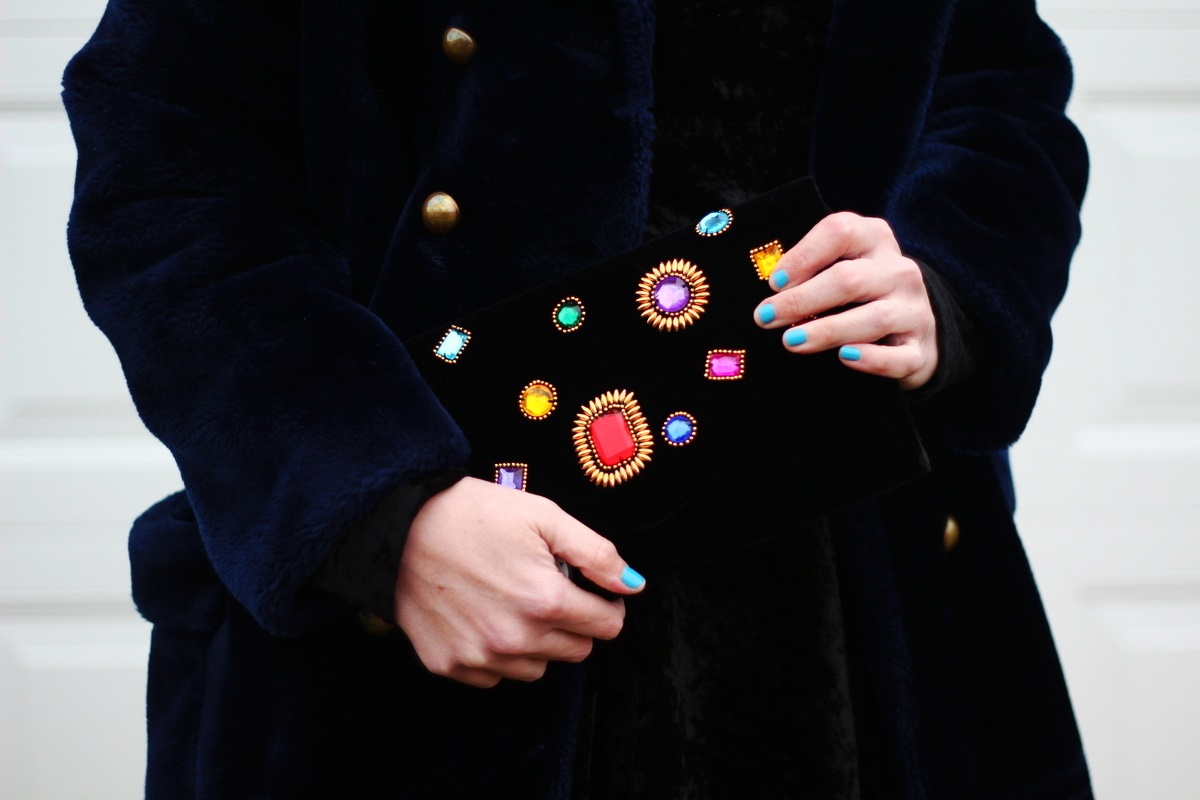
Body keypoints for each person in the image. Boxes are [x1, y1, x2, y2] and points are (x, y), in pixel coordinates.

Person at [63, 1, 1091, 797]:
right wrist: (383, 510)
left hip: (857, 608)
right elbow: (171, 178)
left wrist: (944, 279)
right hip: (426, 617)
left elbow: (997, 89)